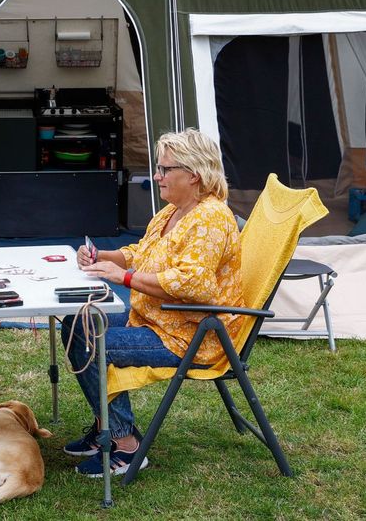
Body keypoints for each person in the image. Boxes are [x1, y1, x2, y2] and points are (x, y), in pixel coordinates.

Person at [60, 128, 245, 478]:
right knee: (76, 323)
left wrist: (124, 278)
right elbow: (140, 253)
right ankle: (107, 428)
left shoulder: (210, 219)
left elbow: (194, 285)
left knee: (90, 339)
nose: (157, 176)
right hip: (155, 321)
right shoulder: (172, 212)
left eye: (165, 169)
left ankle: (126, 446)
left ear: (194, 174)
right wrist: (104, 257)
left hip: (190, 336)